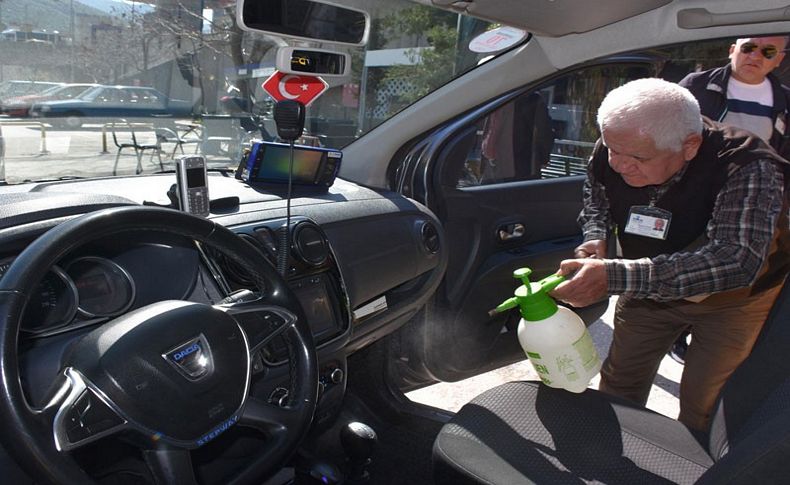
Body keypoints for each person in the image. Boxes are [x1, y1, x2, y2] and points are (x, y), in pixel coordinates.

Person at [550, 78, 789, 431]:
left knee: (706, 404)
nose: (618, 163)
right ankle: (608, 453)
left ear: (690, 146)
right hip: (648, 291)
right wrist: (596, 237)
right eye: (612, 149)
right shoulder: (619, 141)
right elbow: (596, 196)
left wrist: (616, 276)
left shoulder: (748, 165)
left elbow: (735, 261)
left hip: (732, 302)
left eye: (637, 158)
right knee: (619, 382)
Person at [666, 36, 790, 364]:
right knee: (689, 261)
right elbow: (668, 128)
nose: (756, 57)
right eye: (749, 47)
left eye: (768, 52)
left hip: (752, 200)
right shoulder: (698, 85)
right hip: (697, 194)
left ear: (779, 59)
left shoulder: (784, 100)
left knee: (734, 267)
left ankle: (704, 334)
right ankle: (675, 332)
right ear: (732, 49)